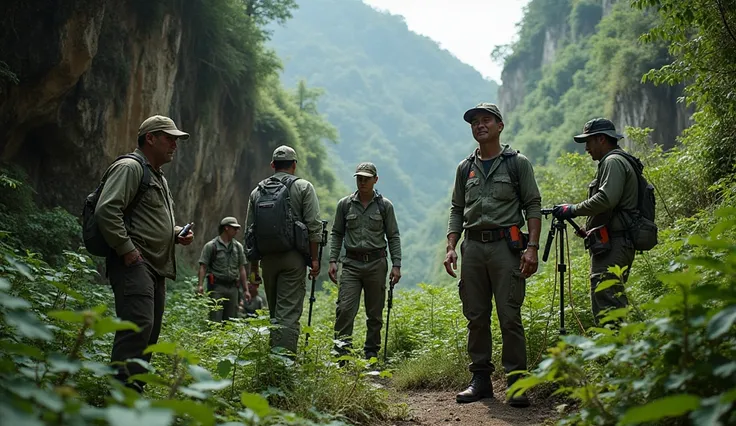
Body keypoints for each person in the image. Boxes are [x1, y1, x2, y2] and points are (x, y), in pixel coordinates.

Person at [443, 103, 542, 407]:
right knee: (476, 316)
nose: (479, 125)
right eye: (475, 122)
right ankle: (481, 381)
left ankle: (516, 384)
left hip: (506, 247)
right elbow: (457, 209)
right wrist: (450, 246)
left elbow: (533, 206)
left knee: (509, 315)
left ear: (500, 125)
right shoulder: (465, 168)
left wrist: (532, 248)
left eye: (486, 120)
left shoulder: (517, 163)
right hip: (472, 247)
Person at [94, 115, 194, 393]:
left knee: (148, 333)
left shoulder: (156, 175)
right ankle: (120, 399)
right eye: (169, 138)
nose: (175, 144)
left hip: (153, 266)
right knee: (137, 329)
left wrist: (175, 233)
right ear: (150, 138)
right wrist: (128, 252)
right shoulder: (130, 167)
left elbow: (148, 217)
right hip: (136, 263)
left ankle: (132, 397)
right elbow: (107, 210)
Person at [552, 118, 638, 324]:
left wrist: (572, 209)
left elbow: (606, 199)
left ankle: (614, 353)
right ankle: (619, 351)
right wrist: (589, 227)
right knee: (610, 300)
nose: (586, 148)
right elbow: (612, 206)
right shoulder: (614, 161)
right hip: (614, 241)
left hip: (615, 245)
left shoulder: (612, 161)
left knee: (608, 304)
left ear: (601, 139)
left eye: (588, 142)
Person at [245, 145, 322, 354]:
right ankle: (284, 367)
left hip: (267, 261)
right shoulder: (304, 187)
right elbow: (314, 226)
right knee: (288, 315)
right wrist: (314, 260)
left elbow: (250, 233)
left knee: (275, 314)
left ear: (272, 165)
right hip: (293, 259)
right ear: (294, 165)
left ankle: (273, 360)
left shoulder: (257, 192)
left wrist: (253, 269)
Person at [328, 162, 402, 360]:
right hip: (351, 264)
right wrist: (333, 260)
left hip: (376, 264)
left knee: (375, 312)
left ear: (375, 180)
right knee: (344, 309)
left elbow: (393, 235)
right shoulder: (344, 205)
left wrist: (396, 265)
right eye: (359, 178)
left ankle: (371, 352)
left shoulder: (385, 206)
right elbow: (336, 233)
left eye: (366, 178)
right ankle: (342, 353)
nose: (362, 182)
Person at [197, 217, 251, 322]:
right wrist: (200, 285)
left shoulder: (238, 247)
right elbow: (203, 266)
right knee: (215, 318)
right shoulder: (211, 246)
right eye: (234, 228)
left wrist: (246, 290)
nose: (237, 231)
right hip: (217, 287)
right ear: (226, 228)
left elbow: (241, 269)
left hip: (233, 287)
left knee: (232, 321)